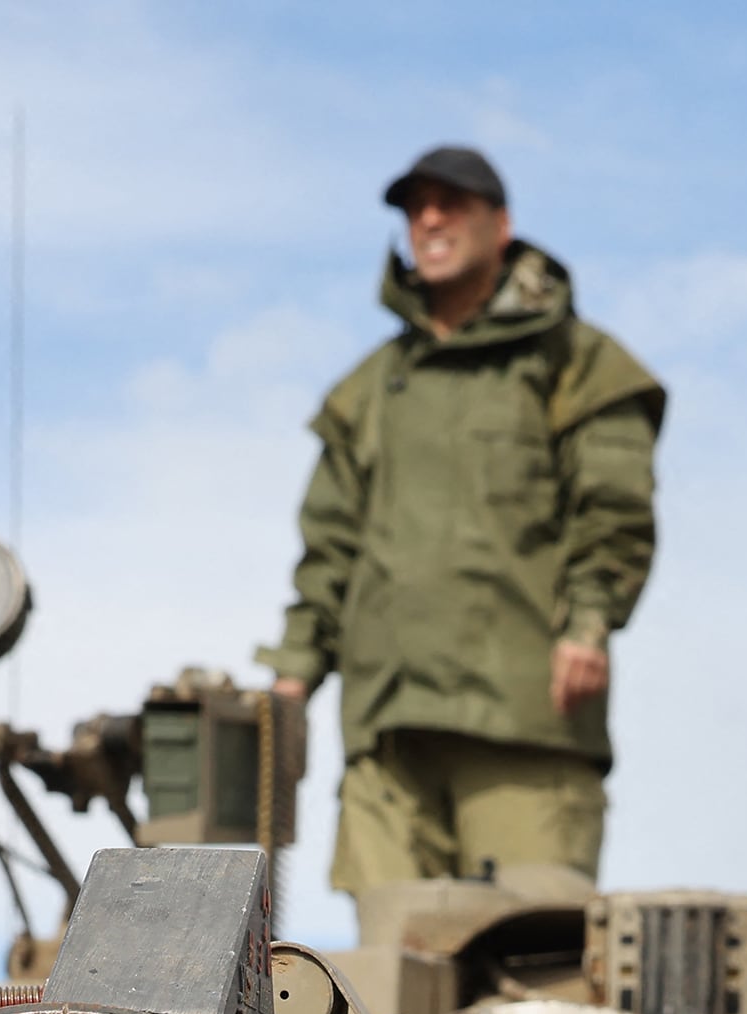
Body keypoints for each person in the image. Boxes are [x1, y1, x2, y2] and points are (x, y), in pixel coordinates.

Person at [257, 144, 664, 894]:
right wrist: (293, 675)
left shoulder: (575, 362)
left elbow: (614, 510)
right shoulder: (370, 389)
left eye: (452, 204)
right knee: (381, 990)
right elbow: (329, 550)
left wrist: (589, 624)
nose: (430, 220)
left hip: (523, 723)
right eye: (416, 208)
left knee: (527, 980)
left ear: (501, 225)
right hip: (387, 732)